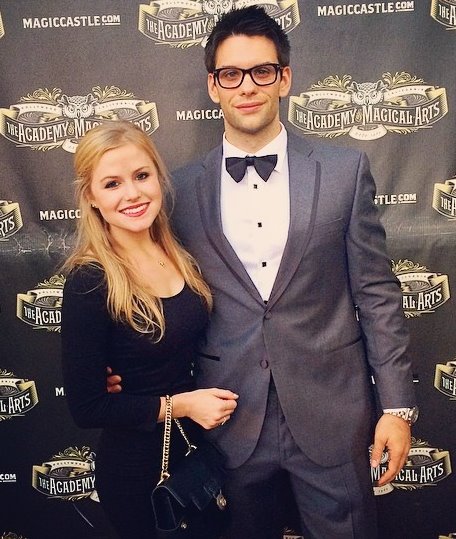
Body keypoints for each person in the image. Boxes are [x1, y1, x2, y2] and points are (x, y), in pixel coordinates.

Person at [109, 6, 417, 538]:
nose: (246, 86)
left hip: (332, 414)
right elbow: (149, 281)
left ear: (286, 78)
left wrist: (397, 407)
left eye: (262, 71)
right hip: (226, 418)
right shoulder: (179, 191)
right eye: (231, 74)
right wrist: (122, 368)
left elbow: (378, 294)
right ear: (213, 86)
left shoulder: (344, 173)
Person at [60, 121, 238, 539]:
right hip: (137, 469)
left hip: (195, 454)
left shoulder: (176, 250)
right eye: (112, 183)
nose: (133, 194)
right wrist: (183, 405)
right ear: (91, 197)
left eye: (142, 176)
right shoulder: (91, 279)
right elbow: (87, 408)